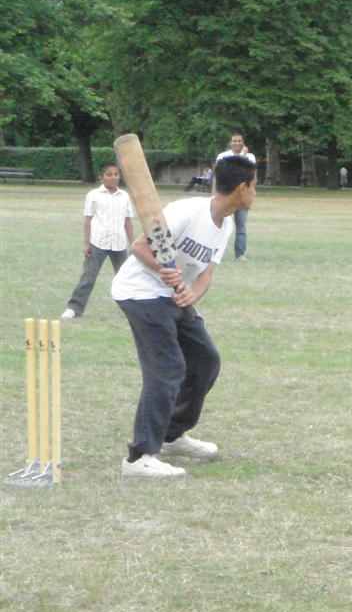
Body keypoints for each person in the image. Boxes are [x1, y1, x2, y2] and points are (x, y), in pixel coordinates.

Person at [112, 154, 257, 478]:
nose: (255, 194)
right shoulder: (186, 212)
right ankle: (139, 457)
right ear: (242, 187)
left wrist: (193, 293)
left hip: (174, 299)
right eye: (255, 187)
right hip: (140, 293)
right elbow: (139, 247)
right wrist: (164, 269)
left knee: (205, 360)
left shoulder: (227, 223)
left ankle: (172, 435)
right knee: (168, 369)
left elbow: (205, 274)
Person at [61, 163, 136, 320]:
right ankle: (74, 308)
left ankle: (133, 310)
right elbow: (88, 220)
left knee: (126, 278)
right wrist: (86, 243)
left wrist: (133, 244)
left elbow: (128, 221)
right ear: (101, 178)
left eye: (115, 174)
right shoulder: (93, 195)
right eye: (108, 175)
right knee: (88, 276)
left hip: (119, 243)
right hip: (98, 242)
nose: (113, 177)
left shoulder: (124, 196)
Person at [216, 132, 256, 261]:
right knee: (221, 225)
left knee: (241, 226)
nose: (237, 143)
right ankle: (216, 253)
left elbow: (250, 173)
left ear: (243, 142)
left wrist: (244, 155)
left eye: (239, 141)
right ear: (230, 143)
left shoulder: (250, 157)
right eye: (234, 141)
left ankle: (240, 254)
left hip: (242, 196)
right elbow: (220, 176)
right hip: (227, 195)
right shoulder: (223, 156)